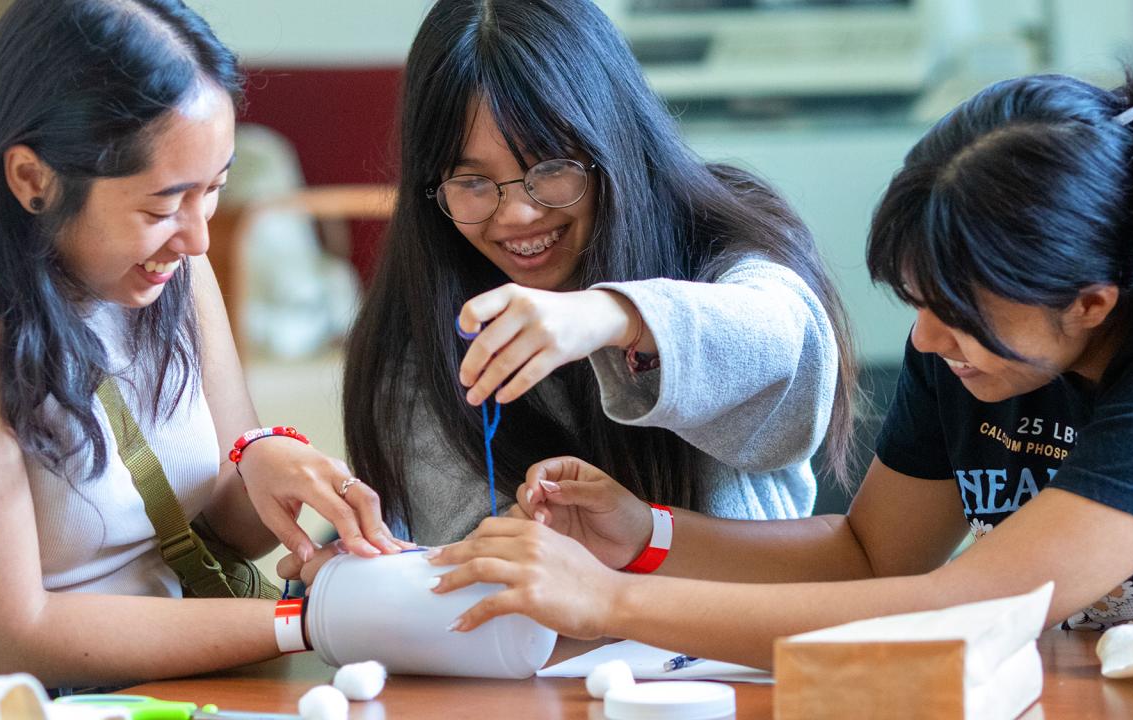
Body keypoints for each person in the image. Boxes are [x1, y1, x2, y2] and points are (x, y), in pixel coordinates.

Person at [424, 47, 1133, 668]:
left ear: (1091, 304)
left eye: (960, 316)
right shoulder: (959, 355)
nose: (926, 341)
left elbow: (975, 608)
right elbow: (872, 553)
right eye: (919, 302)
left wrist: (609, 599)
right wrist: (644, 535)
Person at [0, 0, 405, 687]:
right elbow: (4, 636)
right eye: (161, 206)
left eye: (213, 190)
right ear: (33, 179)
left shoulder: (178, 263)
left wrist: (267, 462)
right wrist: (309, 620)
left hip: (212, 674)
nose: (197, 239)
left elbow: (231, 527)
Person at [339, 0, 858, 546]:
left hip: (737, 623)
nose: (517, 213)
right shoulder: (417, 335)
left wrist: (614, 316)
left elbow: (791, 347)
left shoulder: (719, 231)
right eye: (471, 182)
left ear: (613, 142)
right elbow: (458, 569)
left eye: (552, 167)